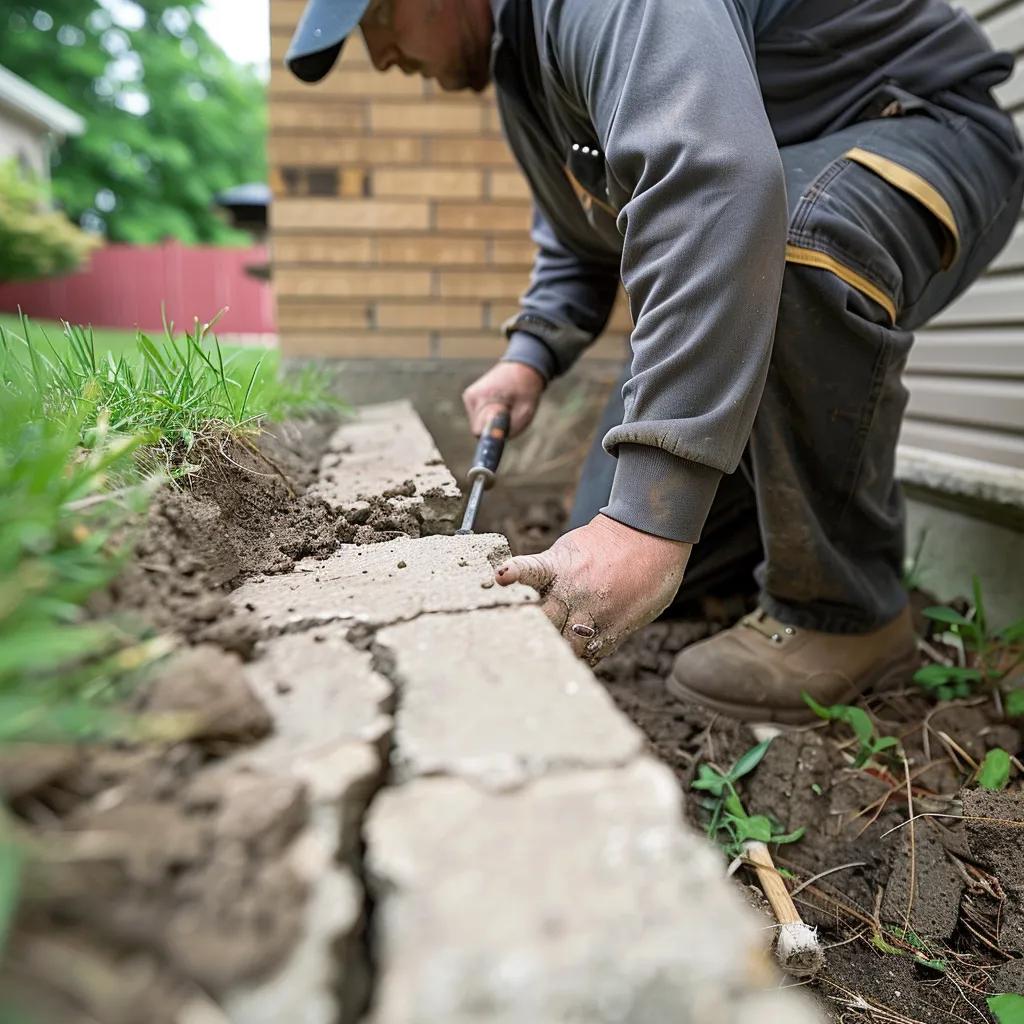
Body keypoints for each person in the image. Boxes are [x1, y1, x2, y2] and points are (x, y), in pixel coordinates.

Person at [286, 0, 1024, 722]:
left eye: (377, 21)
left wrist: (646, 526)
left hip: (921, 127)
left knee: (793, 245)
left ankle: (842, 609)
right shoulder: (523, 66)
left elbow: (714, 184)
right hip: (785, 176)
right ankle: (755, 560)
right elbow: (579, 234)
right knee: (608, 541)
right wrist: (530, 354)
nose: (381, 57)